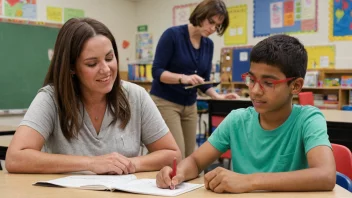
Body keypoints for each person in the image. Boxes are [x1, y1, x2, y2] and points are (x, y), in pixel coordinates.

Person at [156, 34, 336, 193]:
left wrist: (249, 181)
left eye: (269, 82)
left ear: (296, 86)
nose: (255, 90)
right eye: (251, 79)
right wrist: (177, 172)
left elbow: (326, 175)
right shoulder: (237, 119)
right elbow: (195, 161)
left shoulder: (308, 119)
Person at [5, 18, 181, 174]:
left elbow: (172, 155)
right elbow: (15, 158)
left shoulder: (136, 95)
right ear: (71, 68)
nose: (105, 69)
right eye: (92, 63)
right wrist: (91, 163)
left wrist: (130, 164)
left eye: (110, 58)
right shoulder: (51, 98)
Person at [150, 0, 238, 159]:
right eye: (211, 22)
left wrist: (217, 96)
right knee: (176, 155)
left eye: (217, 26)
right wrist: (183, 78)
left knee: (192, 156)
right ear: (200, 14)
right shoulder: (173, 35)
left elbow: (203, 81)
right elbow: (157, 72)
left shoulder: (208, 45)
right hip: (165, 102)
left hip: (190, 105)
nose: (212, 28)